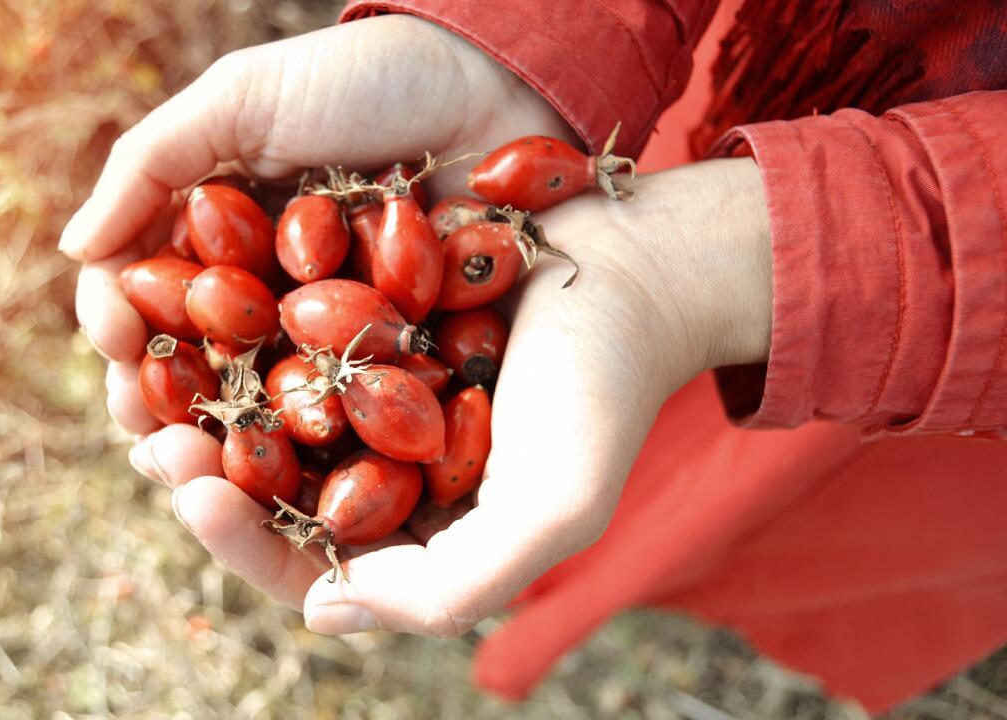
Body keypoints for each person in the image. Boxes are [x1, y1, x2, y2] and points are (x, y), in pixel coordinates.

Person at [58, 0, 1007, 712]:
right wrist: (512, 38)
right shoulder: (380, 336)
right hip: (726, 99)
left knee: (771, 513)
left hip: (924, 335)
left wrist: (744, 265)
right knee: (622, 481)